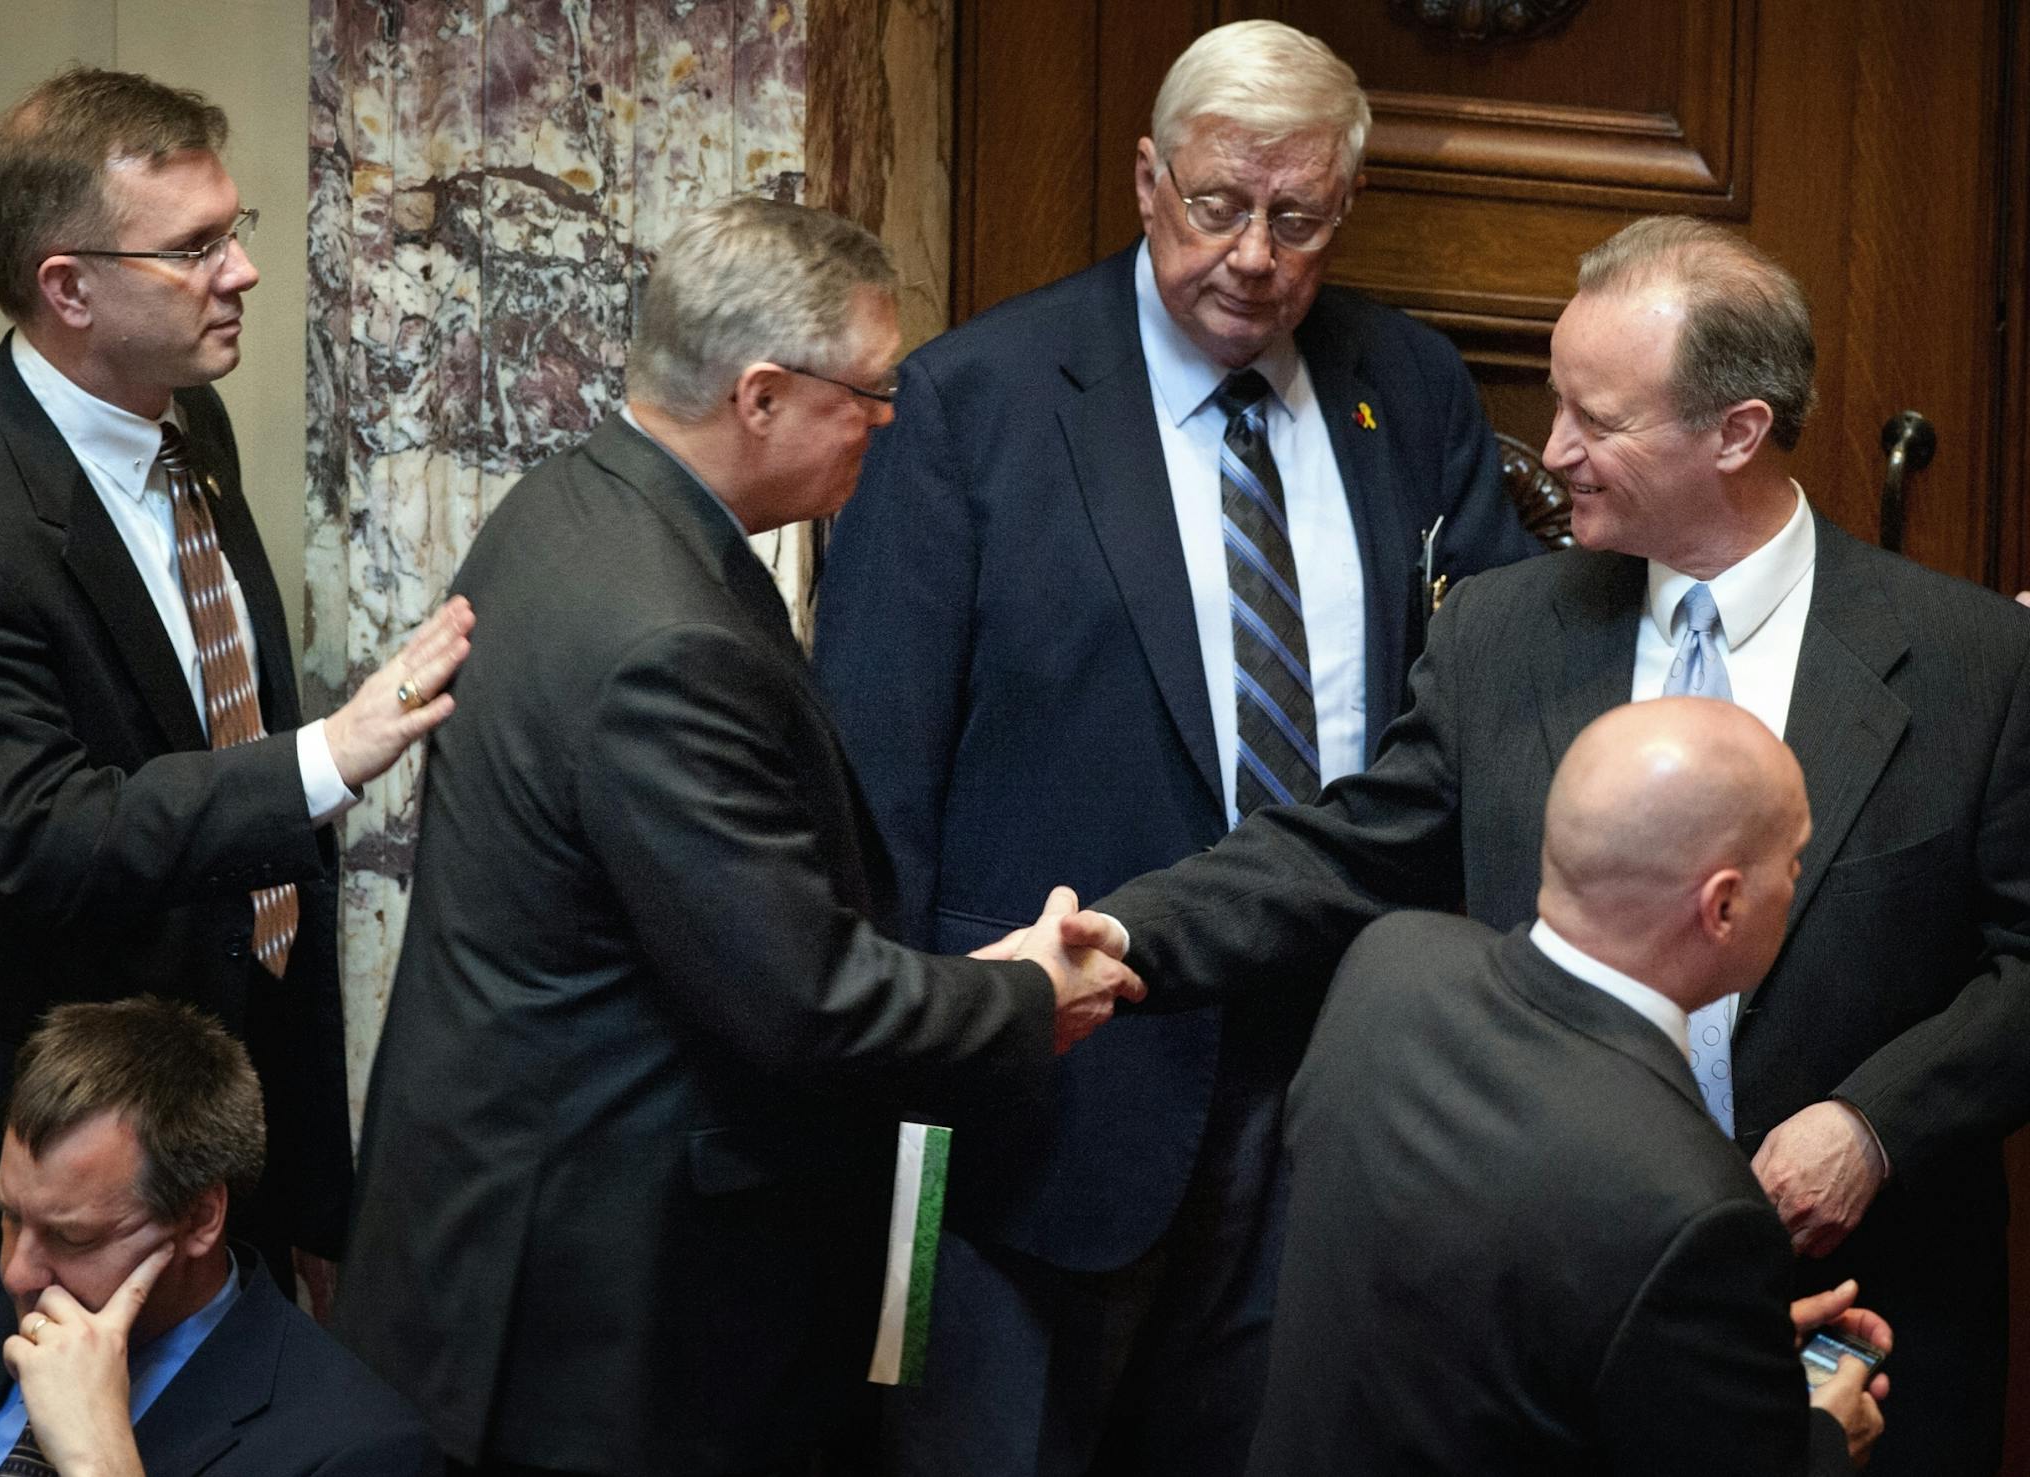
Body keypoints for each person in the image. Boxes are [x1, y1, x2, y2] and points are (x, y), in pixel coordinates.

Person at [1096, 215, 2030, 1475]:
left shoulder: (1980, 664)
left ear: (1736, 433)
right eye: (1557, 403)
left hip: (1860, 1324)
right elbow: (1348, 851)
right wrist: (1121, 936)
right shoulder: (1505, 631)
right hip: (1535, 1332)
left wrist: (1873, 1126)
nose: (1554, 452)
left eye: (1601, 419)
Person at [811, 20, 1536, 1473]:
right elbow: (872, 777)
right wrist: (918, 1068)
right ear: (1148, 181)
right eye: (1218, 206)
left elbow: (1495, 716)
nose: (1255, 255)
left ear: (1345, 207)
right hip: (1053, 1102)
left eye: (1298, 216)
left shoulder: (1414, 390)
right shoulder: (979, 400)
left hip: (1340, 1089)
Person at [334, 196, 1145, 1477]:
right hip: (598, 1326)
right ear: (761, 395)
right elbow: (804, 1000)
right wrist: (1021, 995)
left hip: (530, 1241)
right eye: (871, 395)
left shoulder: (570, 501)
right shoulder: (666, 639)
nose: (889, 424)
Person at [0, 67, 473, 1302]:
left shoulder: (185, 421)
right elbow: (45, 834)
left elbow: (215, 738)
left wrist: (305, 1176)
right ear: (68, 287)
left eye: (231, 233)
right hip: (25, 1150)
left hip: (190, 1109)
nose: (239, 272)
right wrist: (325, 758)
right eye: (194, 248)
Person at [1249, 697, 1889, 1474]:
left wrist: (1712, 1352)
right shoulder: (1697, 1208)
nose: (1797, 880)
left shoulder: (1387, 964)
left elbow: (1468, 1317)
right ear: (1722, 906)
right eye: (1792, 860)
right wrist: (1821, 1437)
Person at [0, 997, 439, 1476]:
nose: (17, 1273)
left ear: (199, 1218)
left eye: (73, 1238)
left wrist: (102, 1461)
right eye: (12, 1217)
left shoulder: (352, 1448)